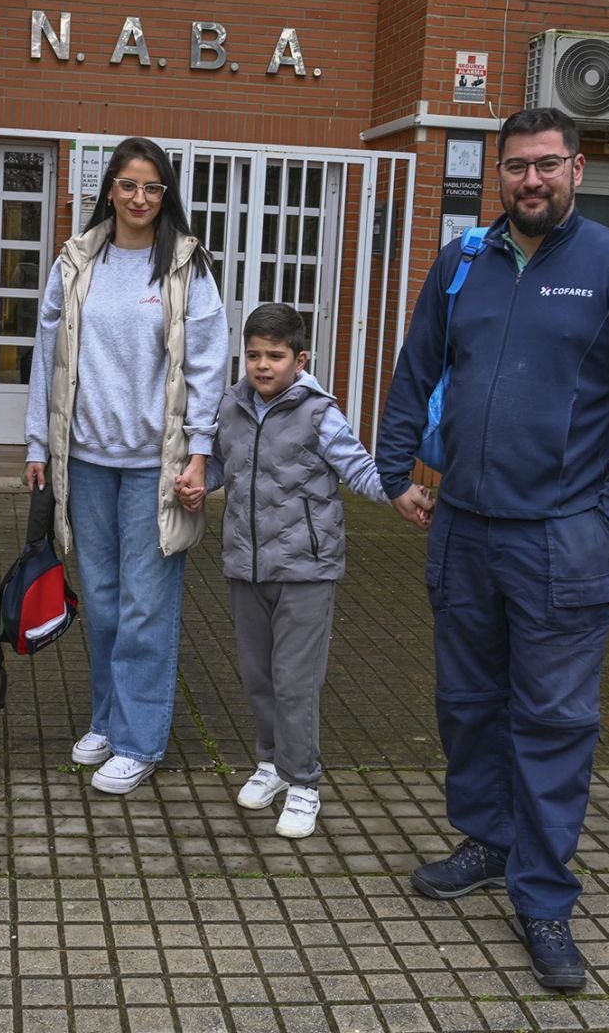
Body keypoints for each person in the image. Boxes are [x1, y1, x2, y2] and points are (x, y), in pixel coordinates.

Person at [375, 106, 609, 993]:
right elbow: (416, 367)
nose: (531, 182)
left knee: (552, 723)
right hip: (462, 529)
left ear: (578, 170)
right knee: (469, 703)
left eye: (547, 165)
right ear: (497, 175)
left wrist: (608, 516)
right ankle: (488, 840)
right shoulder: (464, 260)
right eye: (516, 167)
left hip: (561, 540)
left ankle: (544, 898)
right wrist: (396, 470)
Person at [24, 138, 230, 796]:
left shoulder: (185, 268)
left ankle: (141, 740)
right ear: (108, 188)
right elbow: (48, 358)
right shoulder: (77, 261)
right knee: (107, 602)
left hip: (156, 467)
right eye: (128, 184)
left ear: (165, 195)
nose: (140, 199)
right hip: (86, 461)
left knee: (146, 604)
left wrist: (201, 455)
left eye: (153, 188)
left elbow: (206, 366)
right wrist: (38, 446)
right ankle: (110, 721)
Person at [176, 303, 392, 839]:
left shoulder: (319, 412)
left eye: (275, 356)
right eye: (253, 355)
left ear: (300, 358)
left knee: (296, 681)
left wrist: (402, 493)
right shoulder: (232, 406)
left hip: (306, 569)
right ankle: (271, 764)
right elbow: (227, 464)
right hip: (246, 565)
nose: (262, 365)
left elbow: (358, 468)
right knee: (259, 678)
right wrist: (204, 482)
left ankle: (304, 784)